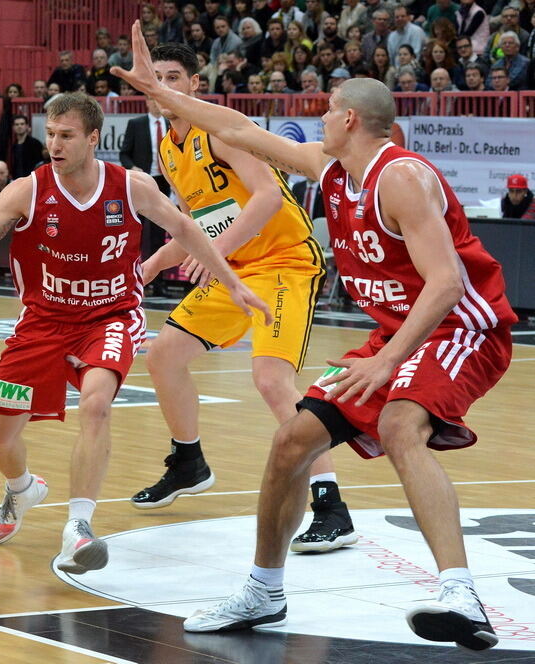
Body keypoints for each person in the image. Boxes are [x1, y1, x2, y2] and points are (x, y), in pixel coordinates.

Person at [115, 20, 516, 650]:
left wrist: (386, 360)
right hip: (396, 333)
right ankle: (263, 589)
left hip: (461, 328)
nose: (320, 120)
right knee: (289, 442)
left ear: (351, 119)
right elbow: (237, 128)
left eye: (328, 111)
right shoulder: (330, 169)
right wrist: (161, 95)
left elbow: (444, 285)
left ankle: (461, 597)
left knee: (398, 425)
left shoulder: (400, 179)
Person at [0, 92, 270, 576]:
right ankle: (21, 489)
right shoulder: (27, 189)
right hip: (42, 321)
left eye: (66, 136)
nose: (54, 145)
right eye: (50, 135)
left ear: (93, 138)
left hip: (110, 316)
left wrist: (231, 280)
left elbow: (185, 228)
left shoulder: (131, 186)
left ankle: (78, 528)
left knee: (96, 403)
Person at [128, 43, 355, 554]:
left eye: (172, 76)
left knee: (271, 379)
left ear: (193, 86)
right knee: (164, 355)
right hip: (235, 269)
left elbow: (270, 196)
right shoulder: (167, 148)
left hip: (285, 262)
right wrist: (147, 268)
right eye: (154, 76)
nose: (161, 85)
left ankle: (332, 506)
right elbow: (191, 228)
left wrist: (217, 256)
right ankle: (188, 461)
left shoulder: (217, 132)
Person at [120, 96, 171, 296]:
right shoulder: (136, 124)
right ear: (148, 102)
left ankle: (159, 284)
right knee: (136, 233)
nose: (157, 103)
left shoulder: (170, 124)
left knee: (160, 233)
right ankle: (131, 280)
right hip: (141, 182)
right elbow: (124, 154)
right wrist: (133, 168)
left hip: (163, 182)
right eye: (153, 99)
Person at [9, 115, 44, 180]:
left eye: (22, 124)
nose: (19, 126)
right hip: (17, 180)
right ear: (13, 127)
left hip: (32, 179)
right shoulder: (13, 145)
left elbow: (41, 164)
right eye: (16, 124)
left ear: (27, 126)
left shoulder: (35, 143)